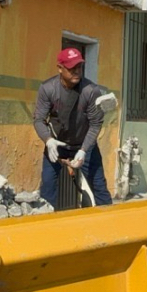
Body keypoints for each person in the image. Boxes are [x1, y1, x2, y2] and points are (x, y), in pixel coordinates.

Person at [33, 48, 112, 206]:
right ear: (60, 68)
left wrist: (83, 150)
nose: (76, 71)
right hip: (57, 145)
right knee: (47, 189)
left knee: (99, 187)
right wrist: (48, 140)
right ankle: (49, 226)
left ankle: (108, 225)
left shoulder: (90, 91)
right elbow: (38, 119)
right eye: (71, 68)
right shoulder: (48, 89)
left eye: (79, 67)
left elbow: (95, 123)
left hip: (85, 145)